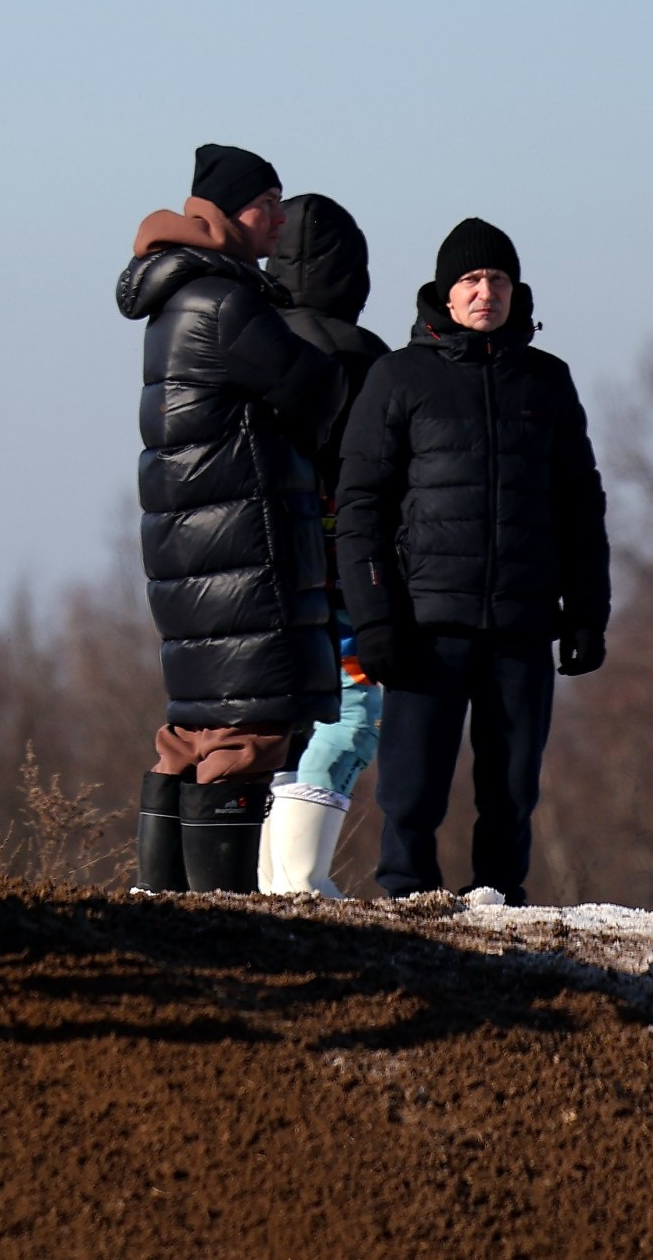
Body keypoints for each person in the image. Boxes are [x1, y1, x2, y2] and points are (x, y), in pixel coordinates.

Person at [336, 217, 610, 902]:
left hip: (520, 620)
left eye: (497, 279)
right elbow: (362, 504)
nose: (485, 291)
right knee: (411, 785)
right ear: (445, 293)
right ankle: (406, 895)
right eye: (470, 279)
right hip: (426, 623)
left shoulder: (548, 382)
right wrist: (374, 619)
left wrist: (587, 613)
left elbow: (580, 502)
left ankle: (501, 900)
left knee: (514, 785)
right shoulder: (398, 378)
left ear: (516, 291)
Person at [117, 144, 347, 892]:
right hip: (241, 551)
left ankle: (160, 911)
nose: (279, 220)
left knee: (191, 734)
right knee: (243, 735)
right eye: (265, 204)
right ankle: (223, 925)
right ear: (221, 213)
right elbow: (314, 385)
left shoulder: (176, 298)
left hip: (198, 551)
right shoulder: (225, 302)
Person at [256, 193, 390, 898]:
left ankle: (276, 879)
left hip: (259, 572)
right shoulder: (367, 360)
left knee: (268, 720)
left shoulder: (249, 342)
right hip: (342, 572)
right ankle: (302, 879)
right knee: (351, 712)